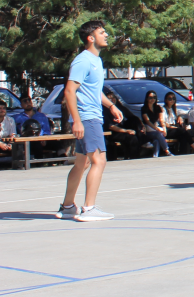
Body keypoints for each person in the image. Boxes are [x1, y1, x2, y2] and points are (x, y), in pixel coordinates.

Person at [58, 20, 125, 221]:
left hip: (90, 115)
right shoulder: (83, 60)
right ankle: (89, 209)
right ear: (91, 38)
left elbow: (93, 91)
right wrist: (76, 121)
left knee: (82, 163)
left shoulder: (96, 61)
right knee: (99, 160)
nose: (106, 35)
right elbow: (69, 91)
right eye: (102, 32)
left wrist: (111, 105)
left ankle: (68, 207)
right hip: (88, 118)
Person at [139, 91, 172, 157]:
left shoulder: (158, 108)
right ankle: (167, 151)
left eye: (154, 97)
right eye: (150, 97)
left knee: (156, 141)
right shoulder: (144, 108)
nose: (152, 99)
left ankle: (155, 155)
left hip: (156, 129)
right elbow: (147, 121)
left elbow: (161, 119)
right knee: (158, 134)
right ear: (147, 98)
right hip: (148, 130)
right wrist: (157, 129)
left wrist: (164, 128)